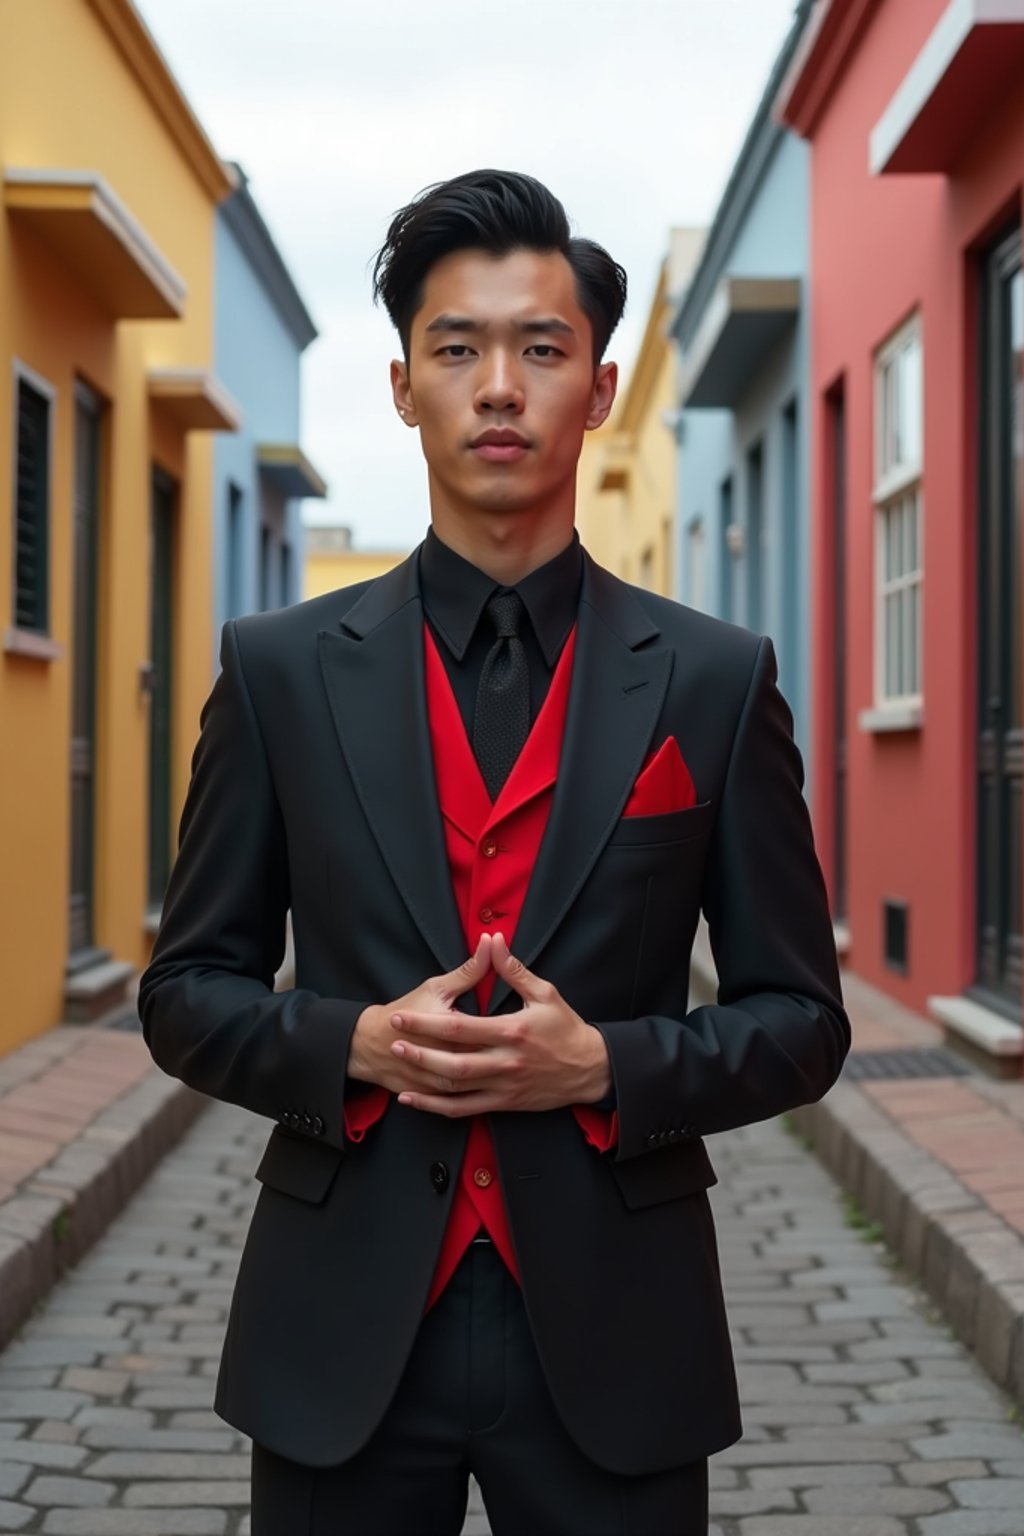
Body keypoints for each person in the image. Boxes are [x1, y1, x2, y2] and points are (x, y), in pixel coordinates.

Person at [138, 168, 849, 1536]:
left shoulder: (713, 679)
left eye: (542, 348)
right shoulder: (281, 673)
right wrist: (352, 1044)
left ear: (598, 383)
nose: (501, 387)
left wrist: (608, 1064)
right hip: (341, 1324)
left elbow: (804, 1020)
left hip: (616, 1328)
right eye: (458, 349)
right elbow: (184, 995)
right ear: (405, 388)